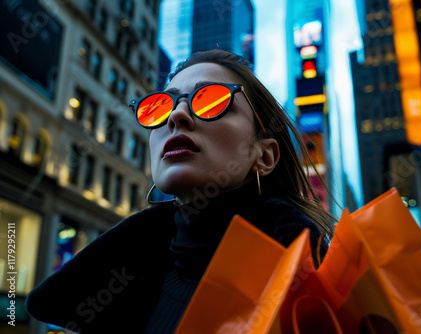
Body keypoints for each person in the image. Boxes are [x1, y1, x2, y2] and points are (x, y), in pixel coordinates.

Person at [25, 49, 336, 333]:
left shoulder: (323, 289)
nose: (176, 116)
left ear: (264, 155)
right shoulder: (110, 293)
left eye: (211, 100)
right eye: (161, 106)